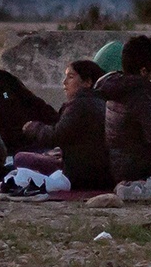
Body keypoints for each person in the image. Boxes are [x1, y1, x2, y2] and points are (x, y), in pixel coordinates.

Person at [15, 60, 114, 190]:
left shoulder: (80, 105)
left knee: (20, 158)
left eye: (71, 77)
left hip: (82, 175)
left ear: (87, 82)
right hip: (99, 172)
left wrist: (32, 128)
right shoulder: (100, 102)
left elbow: (56, 136)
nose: (64, 82)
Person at [93, 35, 151, 187]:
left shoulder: (113, 85)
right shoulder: (138, 94)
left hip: (114, 164)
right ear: (144, 70)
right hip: (136, 168)